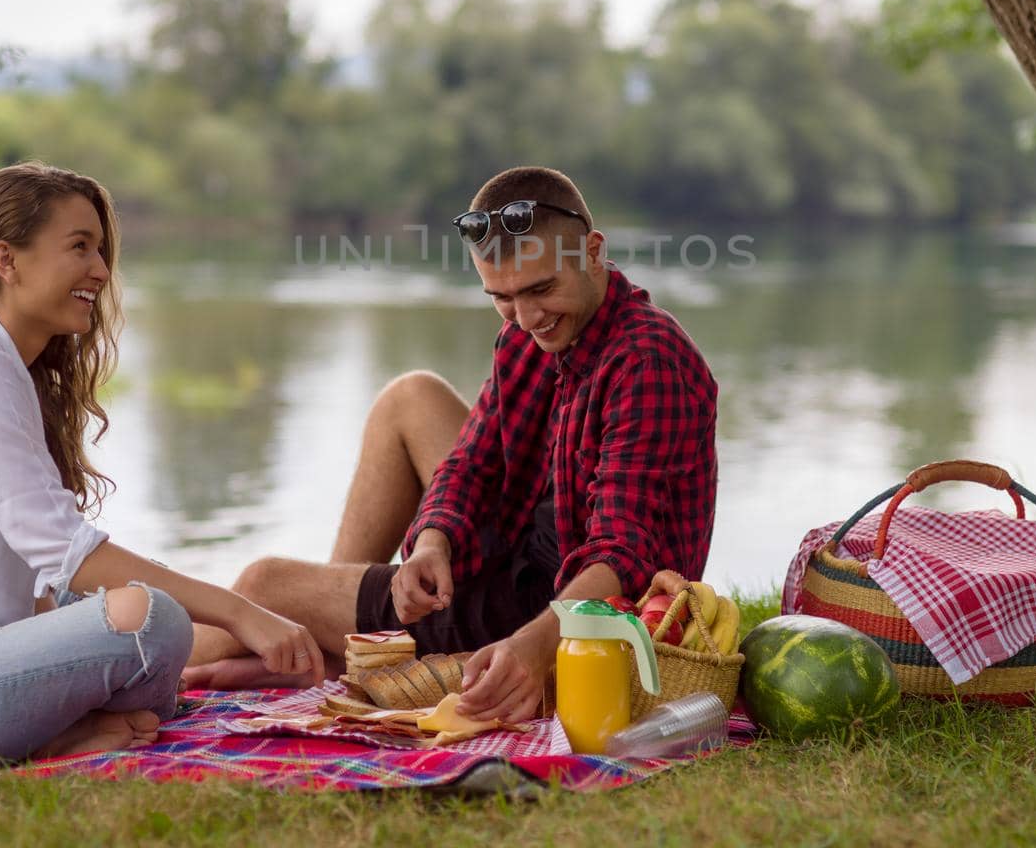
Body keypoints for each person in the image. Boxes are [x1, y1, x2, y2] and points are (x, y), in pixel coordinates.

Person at [0, 162, 322, 772]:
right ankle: (55, 737)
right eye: (79, 247)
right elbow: (70, 552)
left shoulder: (2, 367)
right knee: (153, 621)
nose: (100, 271)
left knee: (127, 612)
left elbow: (47, 580)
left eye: (100, 250)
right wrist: (242, 612)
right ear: (7, 260)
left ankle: (60, 733)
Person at [185, 166, 718, 723]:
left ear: (592, 251)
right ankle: (344, 644)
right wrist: (431, 544)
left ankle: (153, 666)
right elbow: (472, 464)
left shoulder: (647, 359)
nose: (528, 318)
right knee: (410, 396)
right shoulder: (530, 334)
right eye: (502, 297)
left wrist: (533, 650)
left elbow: (623, 556)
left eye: (541, 289)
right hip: (523, 549)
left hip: (574, 615)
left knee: (263, 585)